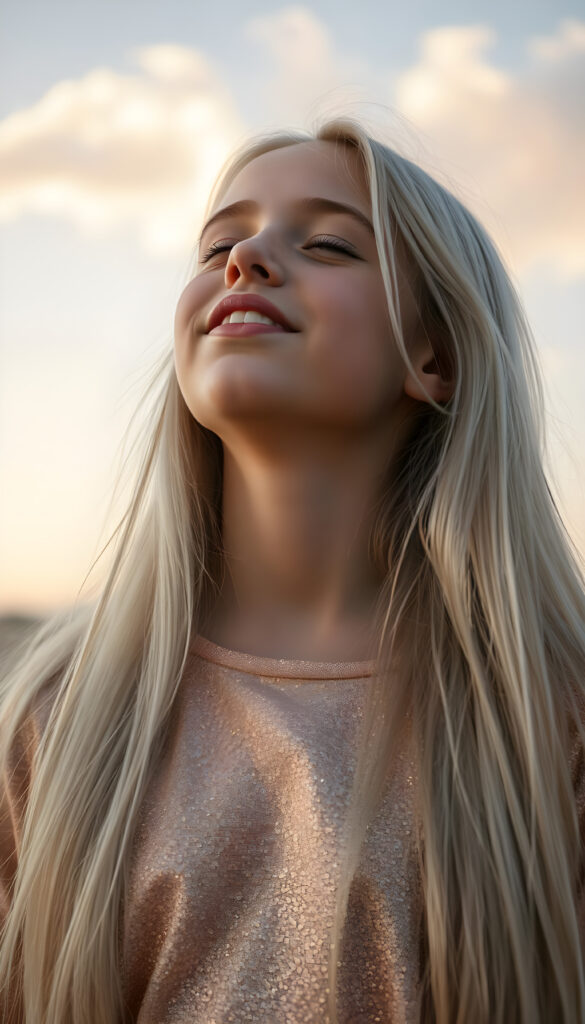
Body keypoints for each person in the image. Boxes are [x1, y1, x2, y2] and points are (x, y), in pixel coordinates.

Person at [1, 117, 584, 1024]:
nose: (246, 261)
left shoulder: (553, 717)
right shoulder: (55, 716)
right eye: (219, 243)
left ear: (435, 357)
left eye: (325, 243)